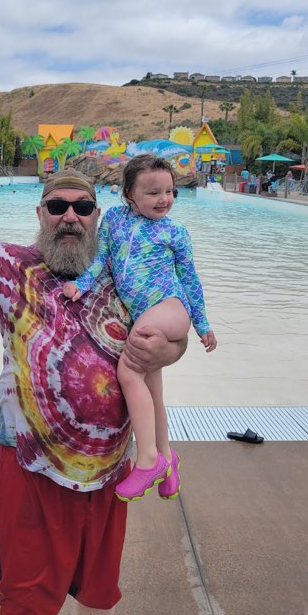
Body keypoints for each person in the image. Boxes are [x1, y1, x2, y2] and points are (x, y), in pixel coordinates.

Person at [0, 152, 185, 615]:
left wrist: (172, 350)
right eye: (57, 207)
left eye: (82, 208)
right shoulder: (11, 267)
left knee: (97, 602)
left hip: (110, 474)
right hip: (30, 472)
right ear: (40, 215)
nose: (69, 216)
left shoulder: (125, 275)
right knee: (26, 605)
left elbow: (173, 339)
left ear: (99, 218)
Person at [63, 154, 216, 502]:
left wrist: (203, 323)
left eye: (170, 191)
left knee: (128, 371)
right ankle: (167, 458)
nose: (164, 199)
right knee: (153, 392)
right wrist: (81, 285)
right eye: (153, 193)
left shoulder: (175, 231)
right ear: (128, 194)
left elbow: (190, 279)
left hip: (170, 308)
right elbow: (101, 259)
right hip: (144, 314)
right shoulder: (115, 219)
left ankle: (146, 459)